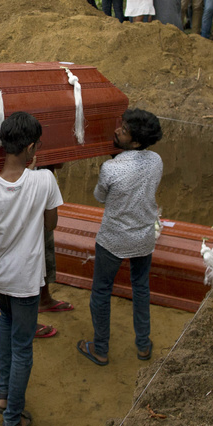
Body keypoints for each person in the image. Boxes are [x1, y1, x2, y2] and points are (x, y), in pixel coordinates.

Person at [0, 112, 62, 426]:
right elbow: (50, 226)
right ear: (29, 148)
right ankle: (12, 419)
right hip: (24, 279)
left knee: (6, 322)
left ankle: (2, 393)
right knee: (23, 347)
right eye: (37, 145)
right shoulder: (44, 181)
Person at [77, 109, 163, 366]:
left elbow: (99, 196)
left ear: (135, 142)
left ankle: (100, 348)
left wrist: (113, 163)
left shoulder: (110, 169)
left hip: (113, 240)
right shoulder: (156, 160)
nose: (117, 131)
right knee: (141, 287)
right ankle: (143, 345)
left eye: (123, 131)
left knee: (101, 291)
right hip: (144, 237)